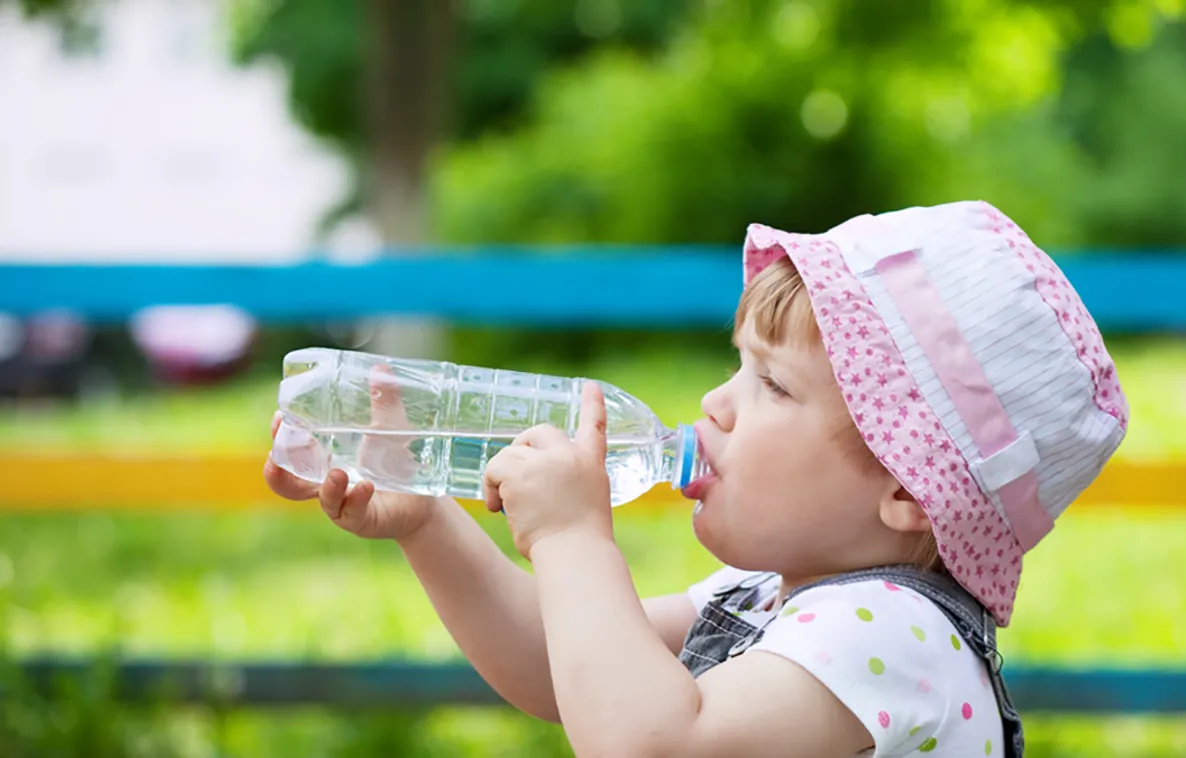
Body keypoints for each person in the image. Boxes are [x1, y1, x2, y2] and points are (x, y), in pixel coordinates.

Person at [264, 200, 1128, 757]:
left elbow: (650, 745)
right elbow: (553, 662)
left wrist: (570, 537)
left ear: (907, 490)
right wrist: (427, 523)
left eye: (773, 385)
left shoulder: (896, 637)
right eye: (737, 367)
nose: (716, 404)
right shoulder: (768, 594)